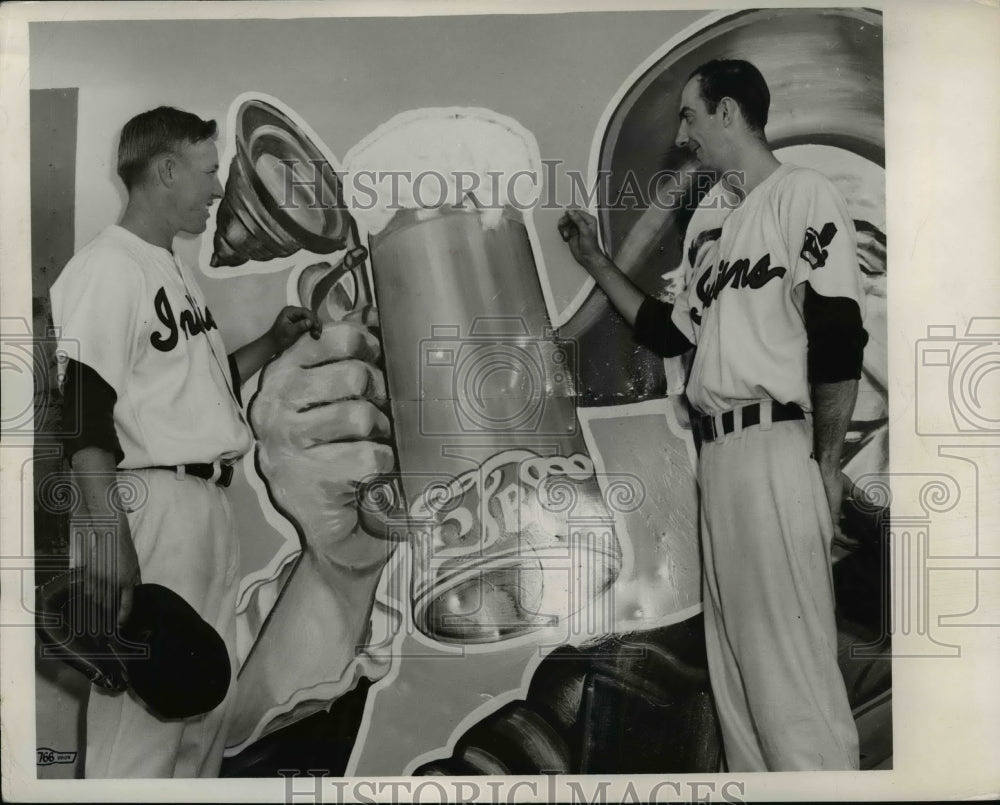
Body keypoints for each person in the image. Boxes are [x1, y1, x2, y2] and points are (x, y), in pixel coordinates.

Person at [557, 59, 866, 771]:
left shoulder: (800, 193)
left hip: (776, 445)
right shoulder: (713, 217)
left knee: (792, 685)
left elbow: (839, 328)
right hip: (720, 460)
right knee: (738, 691)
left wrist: (825, 462)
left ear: (729, 111)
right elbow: (673, 333)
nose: (683, 133)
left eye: (691, 115)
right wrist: (597, 263)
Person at [49, 106, 322, 778]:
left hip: (197, 506)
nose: (217, 189)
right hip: (149, 505)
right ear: (165, 169)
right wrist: (109, 532)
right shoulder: (108, 266)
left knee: (199, 722)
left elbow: (188, 393)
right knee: (142, 735)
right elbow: (84, 403)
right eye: (207, 172)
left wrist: (270, 344)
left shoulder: (167, 268)